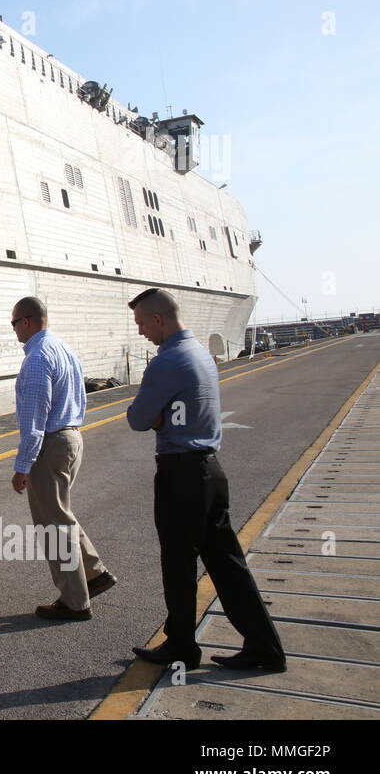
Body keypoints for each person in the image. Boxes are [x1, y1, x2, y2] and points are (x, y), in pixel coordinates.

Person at [126, 287, 286, 672]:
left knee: (178, 564)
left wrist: (158, 417)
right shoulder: (200, 353)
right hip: (209, 470)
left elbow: (136, 418)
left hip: (181, 473)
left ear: (159, 320)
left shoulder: (166, 362)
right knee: (227, 562)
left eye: (142, 323)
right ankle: (264, 645)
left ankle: (181, 646)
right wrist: (161, 415)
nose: (141, 332)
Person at [10, 296, 114, 620]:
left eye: (14, 323)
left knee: (53, 526)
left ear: (27, 321)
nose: (13, 329)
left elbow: (34, 417)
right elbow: (80, 396)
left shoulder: (37, 357)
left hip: (51, 444)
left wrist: (22, 465)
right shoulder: (63, 348)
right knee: (62, 516)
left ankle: (75, 601)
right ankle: (94, 574)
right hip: (72, 436)